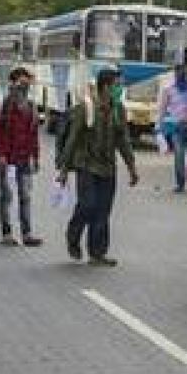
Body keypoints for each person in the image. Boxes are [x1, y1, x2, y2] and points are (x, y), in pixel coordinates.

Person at [56, 65, 139, 266]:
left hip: (108, 168)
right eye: (117, 85)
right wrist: (64, 170)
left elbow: (123, 141)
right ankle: (73, 236)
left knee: (103, 210)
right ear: (105, 86)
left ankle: (97, 253)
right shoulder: (87, 108)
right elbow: (72, 139)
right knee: (87, 205)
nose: (119, 89)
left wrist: (131, 167)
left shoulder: (118, 109)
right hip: (86, 165)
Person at [0, 67, 42, 247]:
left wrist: (36, 157)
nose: (26, 85)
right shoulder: (6, 103)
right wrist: (1, 155)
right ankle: (6, 233)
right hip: (9, 158)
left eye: (27, 81)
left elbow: (34, 133)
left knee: (25, 195)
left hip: (25, 157)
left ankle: (26, 233)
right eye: (22, 81)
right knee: (7, 195)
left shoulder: (31, 105)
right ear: (13, 83)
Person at [157, 63, 187, 193]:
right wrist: (159, 127)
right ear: (175, 74)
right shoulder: (168, 89)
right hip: (176, 128)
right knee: (179, 156)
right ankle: (180, 183)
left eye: (184, 73)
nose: (182, 75)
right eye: (179, 73)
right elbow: (163, 109)